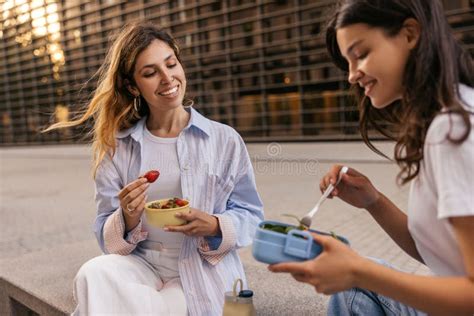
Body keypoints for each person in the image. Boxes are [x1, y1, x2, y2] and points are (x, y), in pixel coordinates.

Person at [268, 0, 474, 315]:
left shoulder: (452, 131)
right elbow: (440, 254)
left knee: (358, 283)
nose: (352, 76)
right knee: (356, 290)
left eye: (361, 54)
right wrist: (373, 201)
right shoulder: (450, 115)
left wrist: (358, 271)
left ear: (409, 34)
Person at [45, 22, 264, 316]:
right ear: (133, 86)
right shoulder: (117, 147)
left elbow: (252, 214)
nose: (167, 78)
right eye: (150, 73)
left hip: (199, 267)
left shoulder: (224, 140)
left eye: (171, 64)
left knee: (154, 308)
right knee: (92, 274)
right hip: (141, 264)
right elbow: (103, 233)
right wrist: (127, 216)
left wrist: (214, 225)